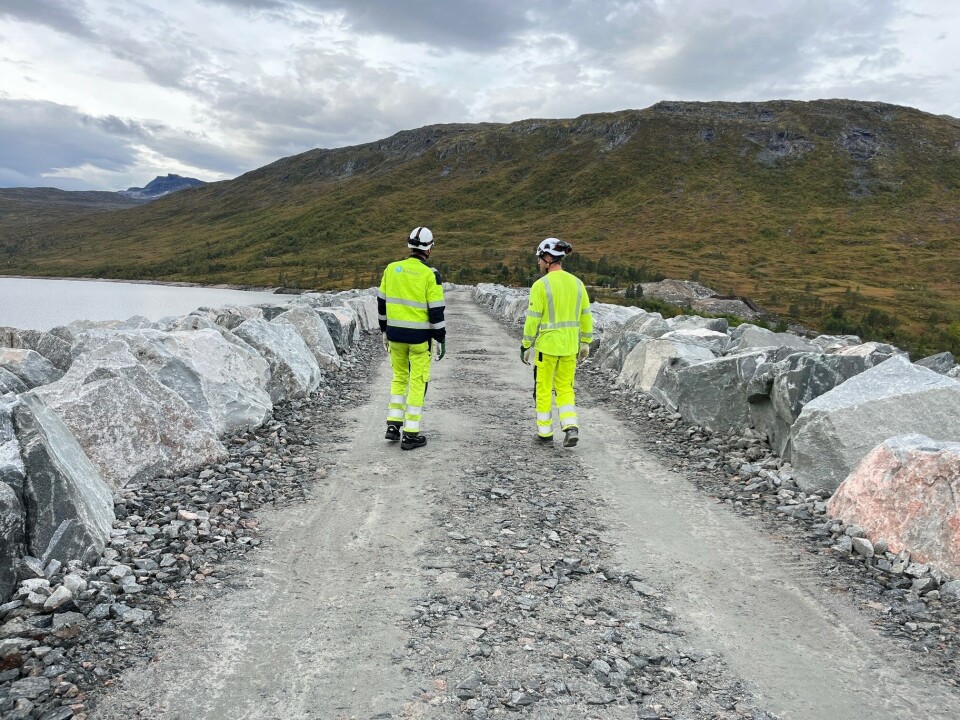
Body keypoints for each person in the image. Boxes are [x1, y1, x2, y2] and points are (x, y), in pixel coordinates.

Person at [377, 226, 446, 450]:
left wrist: (384, 330)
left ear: (409, 245)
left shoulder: (391, 268)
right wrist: (441, 338)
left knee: (399, 378)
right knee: (418, 381)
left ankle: (393, 425)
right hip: (419, 340)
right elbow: (436, 310)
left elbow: (381, 303)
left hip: (395, 336)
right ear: (429, 248)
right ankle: (410, 434)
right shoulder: (430, 274)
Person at [520, 237, 593, 447]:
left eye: (540, 258)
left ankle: (545, 434)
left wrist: (526, 345)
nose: (538, 262)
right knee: (565, 388)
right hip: (570, 347)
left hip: (547, 348)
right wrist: (586, 342)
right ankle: (571, 427)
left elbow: (532, 318)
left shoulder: (540, 285)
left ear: (549, 258)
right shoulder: (578, 284)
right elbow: (586, 315)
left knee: (543, 389)